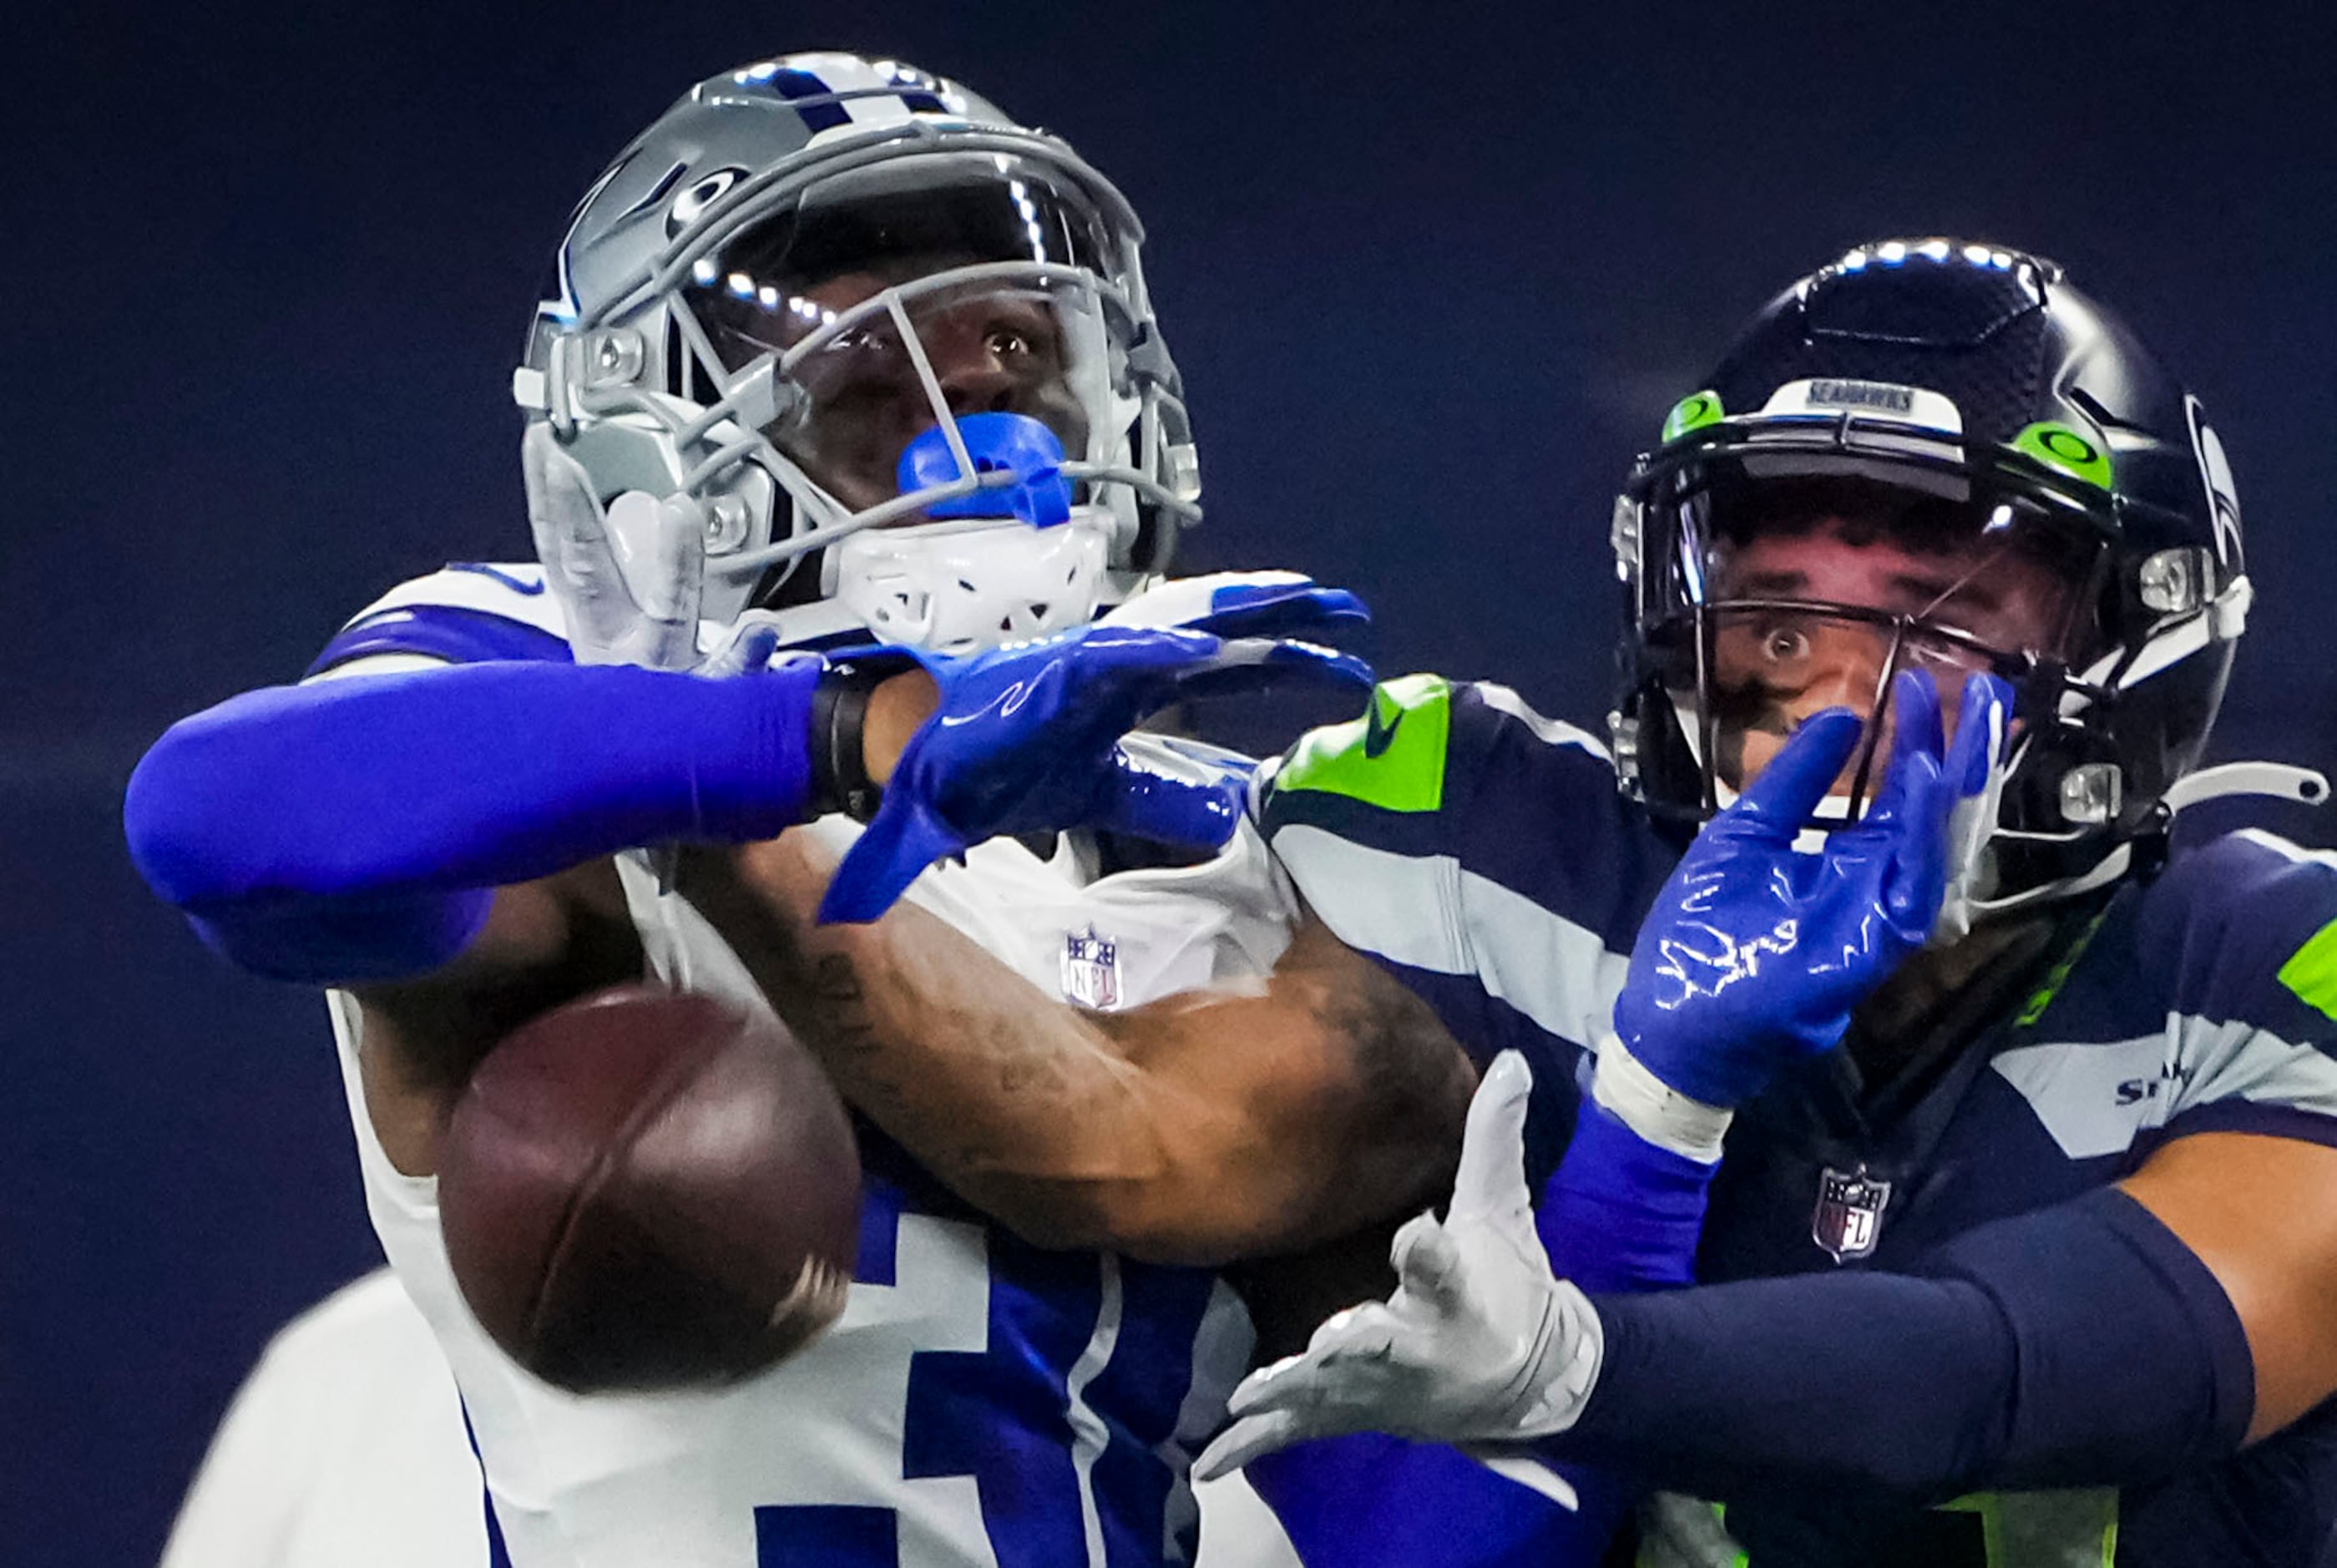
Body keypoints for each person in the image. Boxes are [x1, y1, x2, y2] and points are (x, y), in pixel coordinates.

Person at [129, 52, 1471, 1568]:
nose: (982, 442)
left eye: (1015, 355)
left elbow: (1140, 1167)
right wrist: (817, 736)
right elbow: (213, 816)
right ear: (655, 465)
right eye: (868, 385)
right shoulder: (561, 701)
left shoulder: (1257, 844)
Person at [1186, 239, 2337, 1566]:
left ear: (2138, 643)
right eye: (1782, 623)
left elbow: (2009, 1370)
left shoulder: (2265, 964)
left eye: (1933, 621)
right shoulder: (1506, 862)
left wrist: (1576, 1366)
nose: (1836, 696)